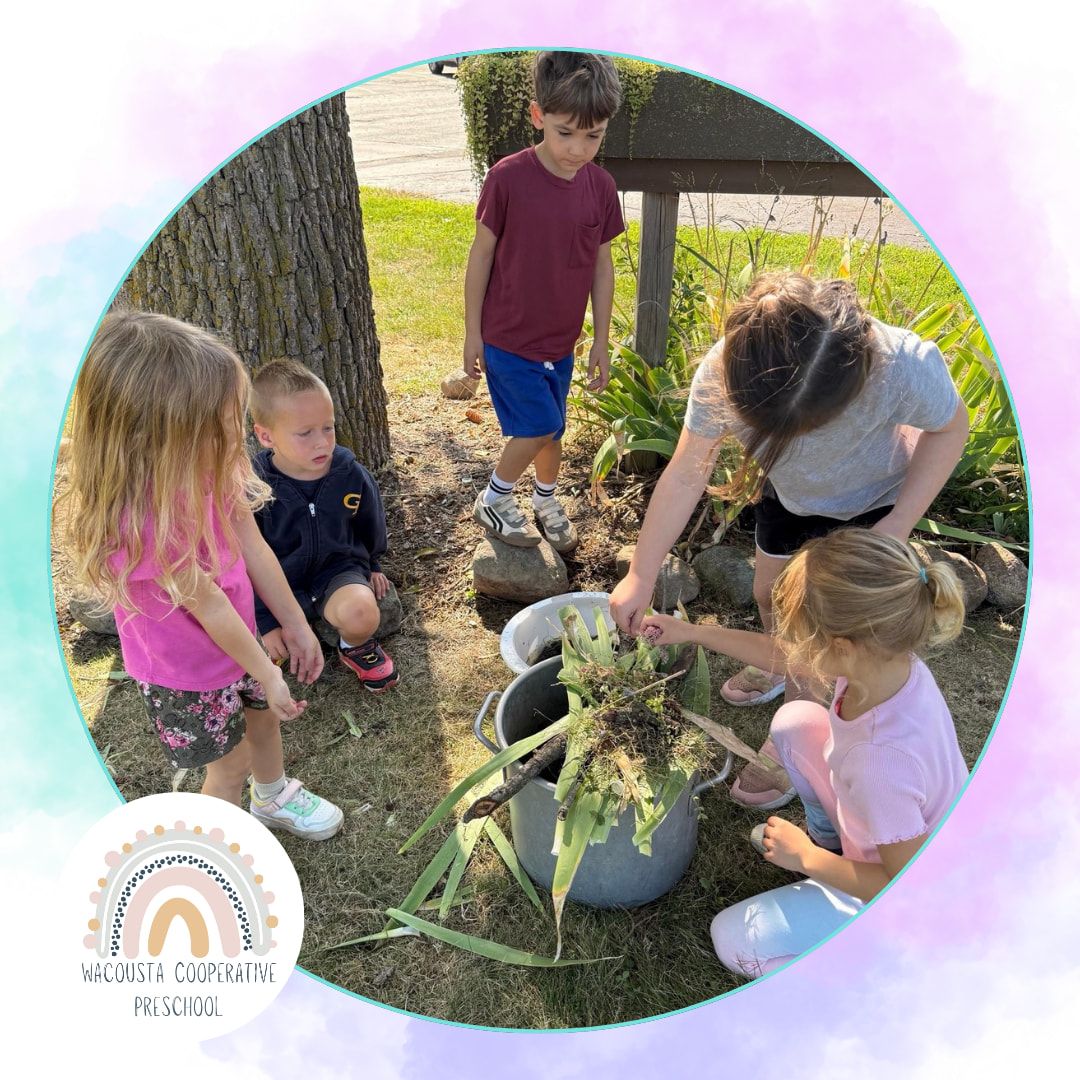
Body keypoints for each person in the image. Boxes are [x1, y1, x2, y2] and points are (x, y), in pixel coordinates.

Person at [609, 271, 969, 808]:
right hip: (790, 497)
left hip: (875, 508)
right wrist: (641, 572)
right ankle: (782, 662)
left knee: (822, 631)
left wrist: (897, 525)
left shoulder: (901, 365)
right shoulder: (724, 372)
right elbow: (686, 472)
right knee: (768, 595)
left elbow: (951, 428)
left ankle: (800, 724)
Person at [641, 529, 968, 978]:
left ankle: (870, 969)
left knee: (735, 940)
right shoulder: (885, 661)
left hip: (909, 897)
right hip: (882, 831)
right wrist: (689, 632)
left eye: (804, 637)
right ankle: (832, 847)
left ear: (841, 647)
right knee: (794, 720)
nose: (797, 649)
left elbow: (905, 884)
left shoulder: (879, 762)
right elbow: (783, 655)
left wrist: (804, 859)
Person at [65, 312, 343, 840]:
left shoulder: (213, 463)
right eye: (217, 424)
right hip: (186, 671)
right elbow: (209, 604)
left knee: (263, 721)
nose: (234, 434)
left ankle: (273, 796)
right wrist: (267, 673)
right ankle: (218, 847)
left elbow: (253, 546)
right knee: (230, 766)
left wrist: (295, 624)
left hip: (240, 641)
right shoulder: (141, 522)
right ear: (153, 436)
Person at [463, 50, 625, 554]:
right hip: (508, 338)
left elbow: (602, 266)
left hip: (562, 342)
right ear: (538, 116)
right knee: (539, 426)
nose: (578, 149)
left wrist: (600, 340)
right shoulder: (507, 178)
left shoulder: (601, 187)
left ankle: (546, 499)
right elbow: (480, 256)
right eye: (565, 133)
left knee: (553, 432)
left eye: (593, 136)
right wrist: (472, 332)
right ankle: (494, 498)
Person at [249, 358, 398, 693]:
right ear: (266, 436)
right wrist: (266, 621)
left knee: (363, 614)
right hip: (276, 585)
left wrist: (373, 563)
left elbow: (370, 521)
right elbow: (246, 559)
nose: (321, 442)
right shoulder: (254, 487)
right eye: (305, 433)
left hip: (337, 572)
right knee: (252, 650)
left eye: (328, 427)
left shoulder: (350, 474)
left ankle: (352, 646)